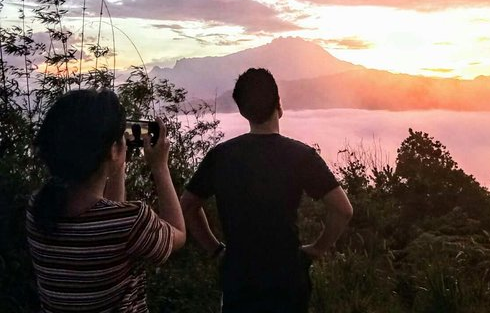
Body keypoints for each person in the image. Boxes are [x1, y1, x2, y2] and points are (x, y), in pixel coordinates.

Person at [181, 68, 353, 313]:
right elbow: (343, 210)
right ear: (279, 105)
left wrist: (216, 249)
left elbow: (188, 205)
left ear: (242, 111)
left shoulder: (221, 156)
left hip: (239, 282)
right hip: (288, 283)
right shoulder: (302, 156)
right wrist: (316, 250)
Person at [26, 89, 186, 312]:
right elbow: (177, 234)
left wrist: (117, 164)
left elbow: (109, 212)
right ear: (113, 150)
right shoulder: (132, 221)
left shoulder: (38, 208)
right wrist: (160, 166)